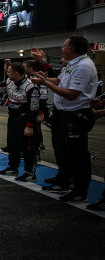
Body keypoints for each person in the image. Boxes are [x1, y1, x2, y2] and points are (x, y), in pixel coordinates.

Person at [32, 36, 98, 202]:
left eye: (64, 46)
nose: (62, 48)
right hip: (63, 113)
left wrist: (45, 83)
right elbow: (59, 80)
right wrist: (44, 79)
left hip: (75, 114)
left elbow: (71, 94)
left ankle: (80, 191)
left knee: (77, 154)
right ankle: (63, 180)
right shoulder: (72, 64)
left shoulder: (83, 66)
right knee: (61, 149)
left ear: (71, 49)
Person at [0, 62, 41, 180]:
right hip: (12, 118)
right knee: (12, 144)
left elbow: (34, 108)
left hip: (25, 119)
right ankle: (12, 168)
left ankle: (30, 173)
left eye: (9, 72)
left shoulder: (31, 86)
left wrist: (29, 125)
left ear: (16, 73)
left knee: (27, 146)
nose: (7, 73)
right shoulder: (9, 82)